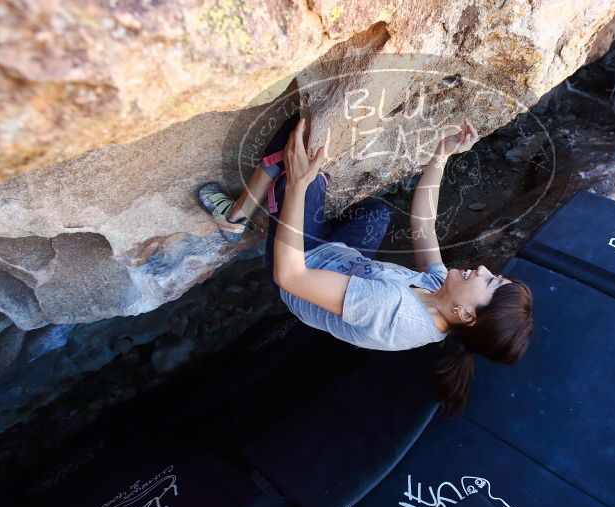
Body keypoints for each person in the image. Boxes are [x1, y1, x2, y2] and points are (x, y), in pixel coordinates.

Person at [199, 115, 533, 416]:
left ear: (468, 315)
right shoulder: (442, 294)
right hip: (340, 258)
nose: (483, 270)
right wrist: (441, 156)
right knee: (377, 214)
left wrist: (300, 187)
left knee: (301, 155)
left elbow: (290, 276)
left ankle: (236, 217)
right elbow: (423, 227)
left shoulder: (390, 311)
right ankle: (296, 206)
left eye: (489, 283)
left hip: (299, 267)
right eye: (496, 275)